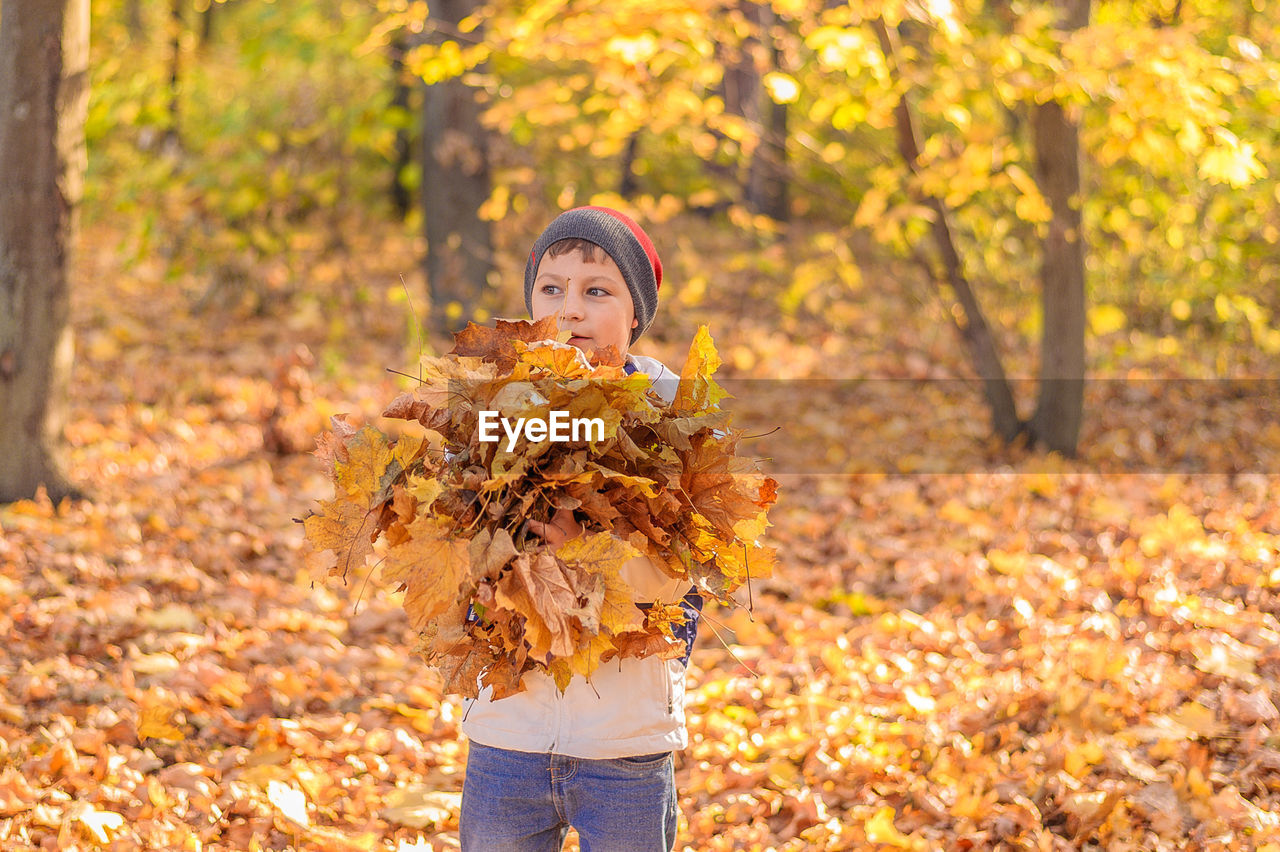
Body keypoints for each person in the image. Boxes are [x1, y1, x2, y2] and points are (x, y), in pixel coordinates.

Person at [458, 206, 703, 851]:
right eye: (551, 289)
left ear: (635, 316)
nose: (570, 310)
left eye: (597, 292)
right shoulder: (492, 410)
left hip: (623, 734)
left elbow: (691, 570)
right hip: (509, 726)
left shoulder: (670, 422)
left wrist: (592, 555)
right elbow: (449, 543)